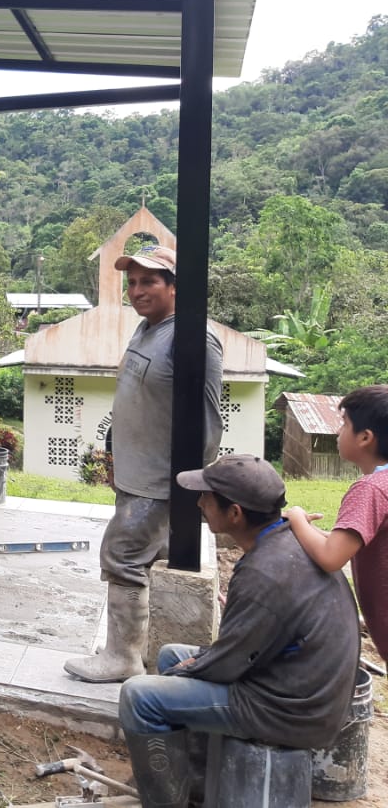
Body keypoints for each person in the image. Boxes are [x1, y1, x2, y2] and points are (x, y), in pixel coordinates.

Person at [118, 454, 359, 808]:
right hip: (302, 691)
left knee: (139, 696)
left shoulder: (264, 572)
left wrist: (191, 668)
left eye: (207, 497)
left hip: (289, 711)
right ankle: (197, 785)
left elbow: (229, 662)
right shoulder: (288, 541)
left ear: (235, 513)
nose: (200, 503)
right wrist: (190, 665)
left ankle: (166, 802)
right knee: (171, 655)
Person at [65, 244, 223, 683]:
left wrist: (188, 486)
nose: (136, 291)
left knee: (122, 556)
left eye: (148, 281)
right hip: (134, 474)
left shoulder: (194, 338)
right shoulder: (147, 329)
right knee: (140, 559)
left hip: (159, 481)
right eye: (132, 282)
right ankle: (138, 650)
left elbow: (208, 422)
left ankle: (123, 657)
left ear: (175, 286)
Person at [284, 383, 388, 659]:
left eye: (344, 424)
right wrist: (308, 530)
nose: (338, 432)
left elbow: (331, 557)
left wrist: (296, 518)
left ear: (365, 437)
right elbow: (348, 543)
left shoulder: (371, 489)